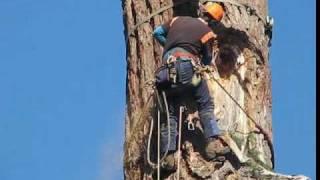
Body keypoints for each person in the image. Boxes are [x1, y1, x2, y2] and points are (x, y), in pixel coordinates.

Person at [153, 2, 230, 171]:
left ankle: (168, 156)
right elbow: (207, 60)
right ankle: (212, 143)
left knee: (171, 113)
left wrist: (170, 47)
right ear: (214, 22)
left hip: (167, 75)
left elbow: (156, 32)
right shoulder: (207, 32)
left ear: (202, 12)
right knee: (204, 102)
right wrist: (197, 58)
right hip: (189, 74)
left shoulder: (177, 20)